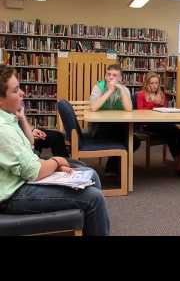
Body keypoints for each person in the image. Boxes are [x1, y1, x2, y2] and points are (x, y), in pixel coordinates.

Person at [0, 65, 110, 236]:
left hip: (21, 179)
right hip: (12, 194)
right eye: (15, 90)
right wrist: (58, 161)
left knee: (91, 176)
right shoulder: (2, 128)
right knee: (94, 198)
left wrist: (54, 167)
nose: (22, 93)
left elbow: (28, 153)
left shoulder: (9, 118)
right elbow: (33, 171)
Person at [135, 72, 180, 177]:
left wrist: (160, 104)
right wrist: (154, 103)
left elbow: (163, 110)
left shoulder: (161, 94)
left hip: (162, 123)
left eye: (156, 83)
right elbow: (140, 112)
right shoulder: (140, 95)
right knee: (173, 133)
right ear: (146, 84)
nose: (154, 86)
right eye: (151, 83)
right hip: (147, 125)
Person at [89, 64, 140, 176]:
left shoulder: (124, 89)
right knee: (121, 136)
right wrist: (109, 91)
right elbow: (93, 107)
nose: (111, 77)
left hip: (118, 127)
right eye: (108, 74)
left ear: (120, 78)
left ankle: (113, 165)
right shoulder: (98, 87)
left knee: (135, 141)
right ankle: (115, 167)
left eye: (114, 75)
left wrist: (121, 89)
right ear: (105, 76)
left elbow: (129, 109)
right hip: (99, 128)